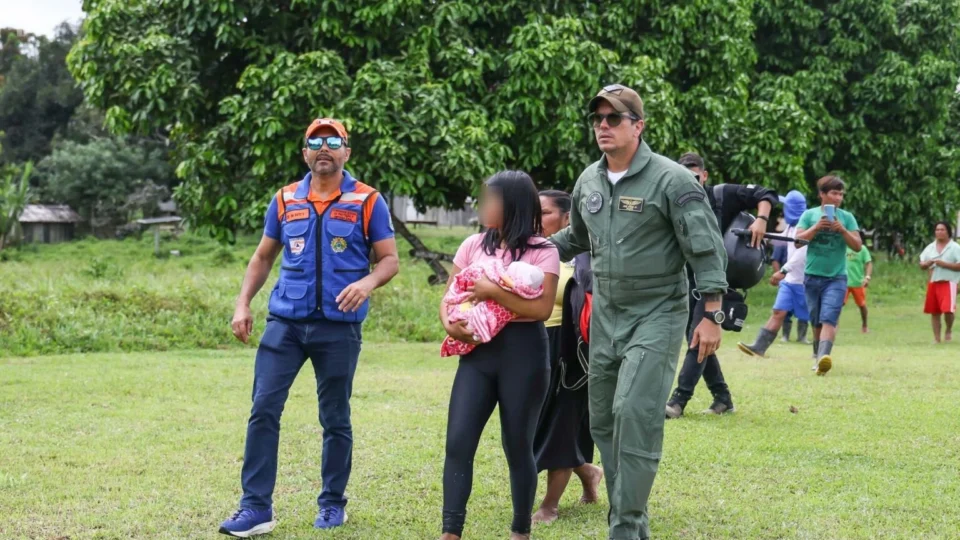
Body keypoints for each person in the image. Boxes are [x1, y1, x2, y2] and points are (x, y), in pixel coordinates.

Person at [549, 84, 728, 540]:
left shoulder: (672, 180)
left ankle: (625, 526)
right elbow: (575, 238)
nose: (603, 126)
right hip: (605, 313)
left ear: (638, 126)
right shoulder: (589, 179)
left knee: (636, 411)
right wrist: (525, 249)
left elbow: (705, 249)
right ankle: (629, 517)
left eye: (614, 118)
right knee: (605, 418)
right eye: (598, 119)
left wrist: (711, 314)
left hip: (657, 311)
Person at [220, 118, 399, 537]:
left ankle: (333, 504)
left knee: (335, 416)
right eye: (315, 141)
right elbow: (263, 256)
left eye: (333, 141)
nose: (324, 147)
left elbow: (389, 259)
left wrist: (367, 282)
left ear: (346, 152)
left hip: (338, 328)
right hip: (285, 324)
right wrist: (242, 303)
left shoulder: (368, 200)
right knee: (263, 410)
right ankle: (255, 508)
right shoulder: (284, 200)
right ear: (304, 153)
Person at [439, 170, 560, 540]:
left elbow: (540, 310)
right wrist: (450, 325)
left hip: (523, 354)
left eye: (491, 199)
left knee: (517, 443)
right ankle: (450, 532)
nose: (483, 205)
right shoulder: (472, 246)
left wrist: (491, 290)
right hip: (478, 355)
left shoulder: (544, 251)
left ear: (514, 206)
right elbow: (449, 298)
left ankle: (520, 530)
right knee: (458, 440)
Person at [664, 152, 776, 418]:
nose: (690, 181)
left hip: (715, 279)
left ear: (704, 175)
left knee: (698, 336)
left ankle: (678, 401)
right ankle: (722, 397)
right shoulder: (674, 200)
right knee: (697, 337)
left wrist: (761, 220)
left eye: (695, 175)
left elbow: (766, 193)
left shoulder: (721, 195)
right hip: (686, 280)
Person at [531, 190, 603, 525]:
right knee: (530, 425)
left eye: (545, 213)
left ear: (568, 219)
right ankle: (588, 472)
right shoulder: (528, 250)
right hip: (530, 344)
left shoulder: (584, 256)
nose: (538, 219)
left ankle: (549, 505)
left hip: (568, 349)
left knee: (561, 425)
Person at [795, 175, 862, 375]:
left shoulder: (847, 218)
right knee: (816, 321)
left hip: (837, 277)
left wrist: (842, 230)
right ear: (822, 195)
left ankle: (825, 358)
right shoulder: (809, 215)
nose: (838, 198)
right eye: (834, 193)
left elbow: (857, 246)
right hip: (812, 276)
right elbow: (797, 241)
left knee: (829, 318)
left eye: (841, 194)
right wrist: (816, 228)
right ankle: (818, 358)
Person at [738, 190, 812, 358]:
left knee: (814, 318)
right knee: (778, 311)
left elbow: (801, 255)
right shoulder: (792, 227)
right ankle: (759, 347)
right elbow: (780, 238)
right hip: (790, 282)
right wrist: (757, 234)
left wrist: (783, 271)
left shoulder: (805, 227)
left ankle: (820, 351)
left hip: (803, 282)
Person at [919, 221, 960, 343]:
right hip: (934, 282)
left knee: (948, 310)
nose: (939, 232)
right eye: (937, 230)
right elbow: (922, 263)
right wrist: (926, 264)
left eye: (942, 230)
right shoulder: (930, 247)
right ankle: (937, 338)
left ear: (948, 232)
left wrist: (944, 264)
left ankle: (948, 329)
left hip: (949, 282)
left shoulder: (955, 247)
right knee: (935, 311)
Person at [844, 230, 873, 333]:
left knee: (862, 305)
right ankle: (833, 326)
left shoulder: (862, 249)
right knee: (837, 305)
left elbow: (869, 263)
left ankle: (865, 326)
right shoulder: (843, 247)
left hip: (858, 282)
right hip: (843, 282)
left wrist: (867, 277)